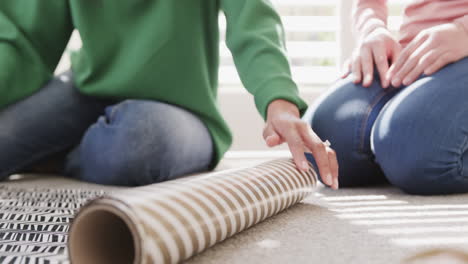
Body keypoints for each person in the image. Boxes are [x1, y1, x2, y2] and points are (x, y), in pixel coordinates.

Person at [0, 1, 338, 187]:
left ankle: (61, 156)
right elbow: (24, 39)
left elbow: (253, 19)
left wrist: (279, 102)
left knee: (136, 146)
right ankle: (81, 145)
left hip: (176, 110)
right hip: (86, 89)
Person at [305, 0, 468, 195]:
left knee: (410, 151)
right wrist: (372, 28)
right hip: (413, 50)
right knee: (325, 144)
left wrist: (463, 31)